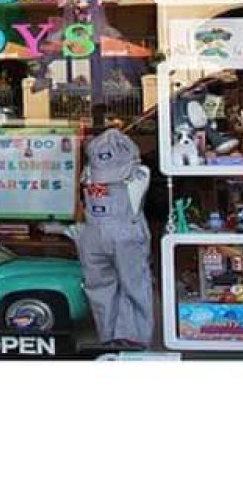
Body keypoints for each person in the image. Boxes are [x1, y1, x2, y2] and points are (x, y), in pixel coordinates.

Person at [76, 127, 154, 349]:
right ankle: (131, 336)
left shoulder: (88, 173)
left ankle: (112, 336)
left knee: (102, 287)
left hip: (94, 231)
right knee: (132, 284)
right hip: (123, 231)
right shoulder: (138, 173)